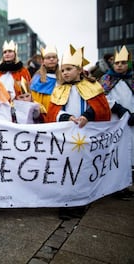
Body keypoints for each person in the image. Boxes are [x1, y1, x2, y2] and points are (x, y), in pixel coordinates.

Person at [45, 45, 111, 220]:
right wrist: (67, 117)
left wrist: (87, 116)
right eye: (63, 70)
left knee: (82, 169)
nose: (65, 73)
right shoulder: (59, 89)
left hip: (85, 136)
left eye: (69, 69)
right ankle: (64, 203)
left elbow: (101, 108)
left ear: (80, 70)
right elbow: (53, 112)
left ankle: (79, 202)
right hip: (65, 138)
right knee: (65, 170)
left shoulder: (91, 86)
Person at [100, 45, 134, 200]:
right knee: (118, 152)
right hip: (116, 121)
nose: (120, 65)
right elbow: (102, 98)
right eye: (117, 63)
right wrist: (119, 108)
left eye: (123, 63)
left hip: (132, 121)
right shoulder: (106, 79)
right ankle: (117, 187)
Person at [30, 45, 62, 122]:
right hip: (43, 118)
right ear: (43, 61)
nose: (51, 59)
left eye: (54, 57)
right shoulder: (38, 78)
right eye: (48, 58)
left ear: (57, 60)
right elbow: (34, 100)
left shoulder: (63, 77)